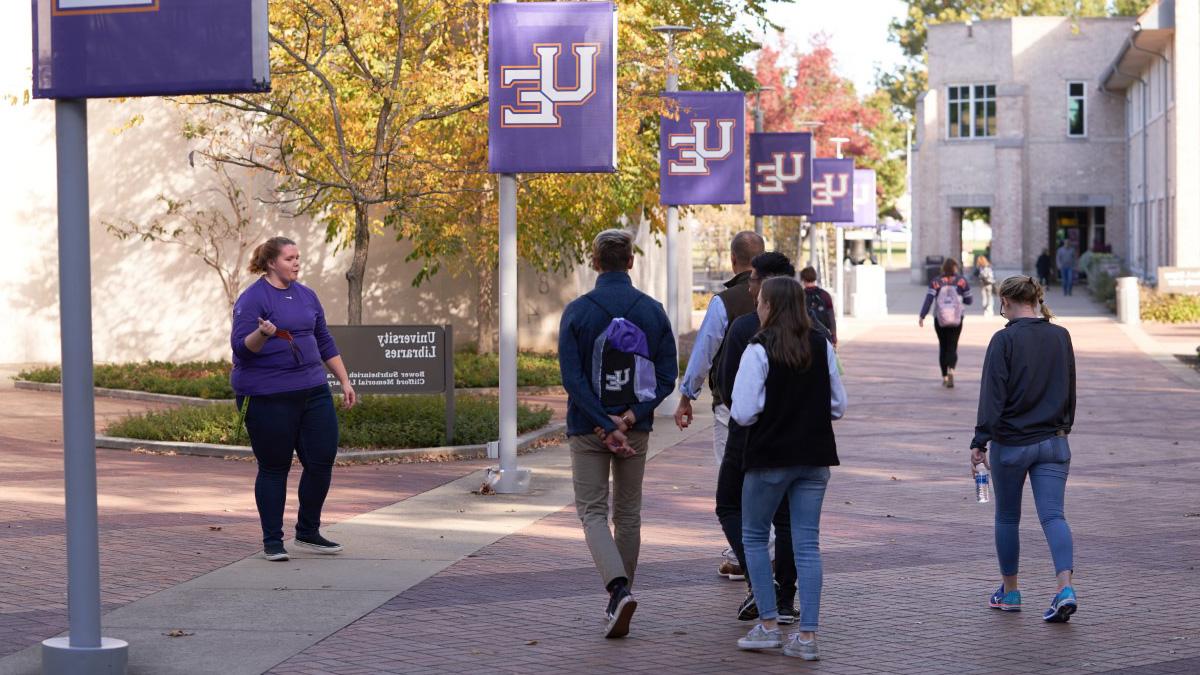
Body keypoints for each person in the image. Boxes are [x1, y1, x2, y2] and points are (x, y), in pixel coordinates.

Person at [558, 229, 677, 639]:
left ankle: (618, 591)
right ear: (630, 262)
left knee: (592, 512)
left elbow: (572, 379)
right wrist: (628, 418)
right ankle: (621, 596)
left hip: (587, 428)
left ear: (594, 262)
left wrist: (603, 423)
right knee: (628, 514)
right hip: (635, 429)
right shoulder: (653, 310)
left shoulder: (577, 312)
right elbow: (666, 376)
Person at [730, 277, 846, 661]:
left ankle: (767, 625)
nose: (758, 305)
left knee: (754, 536)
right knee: (807, 544)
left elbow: (743, 411)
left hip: (770, 457)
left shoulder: (758, 348)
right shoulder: (821, 344)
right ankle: (807, 637)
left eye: (761, 300)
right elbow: (838, 406)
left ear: (772, 306)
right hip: (815, 457)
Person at [231, 236, 357, 562]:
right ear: (272, 262)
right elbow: (242, 348)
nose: (296, 263)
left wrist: (344, 380)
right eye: (290, 258)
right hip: (267, 394)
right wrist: (263, 333)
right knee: (275, 467)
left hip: (313, 390)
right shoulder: (253, 298)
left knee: (321, 459)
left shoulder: (306, 295)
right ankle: (273, 541)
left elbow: (324, 341)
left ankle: (308, 531)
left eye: (298, 257)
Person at [970, 276, 1078, 623]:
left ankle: (1010, 591)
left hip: (1012, 442)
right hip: (1053, 440)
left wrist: (980, 439)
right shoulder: (1061, 336)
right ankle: (1065, 588)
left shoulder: (1004, 340)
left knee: (1007, 517)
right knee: (1053, 515)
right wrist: (1063, 427)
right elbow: (1069, 386)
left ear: (1005, 301)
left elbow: (993, 394)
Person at [713, 252, 800, 624]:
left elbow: (731, 390)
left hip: (748, 439)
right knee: (787, 520)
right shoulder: (813, 332)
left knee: (731, 506)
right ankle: (784, 598)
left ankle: (759, 584)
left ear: (765, 285)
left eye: (751, 281)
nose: (748, 288)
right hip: (795, 441)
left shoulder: (745, 329)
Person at [675, 231, 765, 580]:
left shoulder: (724, 302)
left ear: (733, 260)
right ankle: (756, 549)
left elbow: (704, 352)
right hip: (777, 408)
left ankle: (746, 554)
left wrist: (687, 395)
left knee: (734, 481)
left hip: (730, 406)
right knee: (766, 479)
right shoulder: (786, 297)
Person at [919, 258, 974, 388]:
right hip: (956, 319)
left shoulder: (936, 281)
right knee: (953, 345)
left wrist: (922, 315)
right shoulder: (961, 281)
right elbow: (969, 300)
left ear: (943, 268)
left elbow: (929, 300)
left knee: (943, 346)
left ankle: (944, 376)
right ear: (955, 267)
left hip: (940, 319)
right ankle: (952, 370)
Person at [799, 266, 836, 346]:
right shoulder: (825, 295)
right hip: (823, 335)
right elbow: (831, 317)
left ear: (803, 279)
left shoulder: (799, 296)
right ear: (815, 278)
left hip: (805, 337)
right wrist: (834, 336)